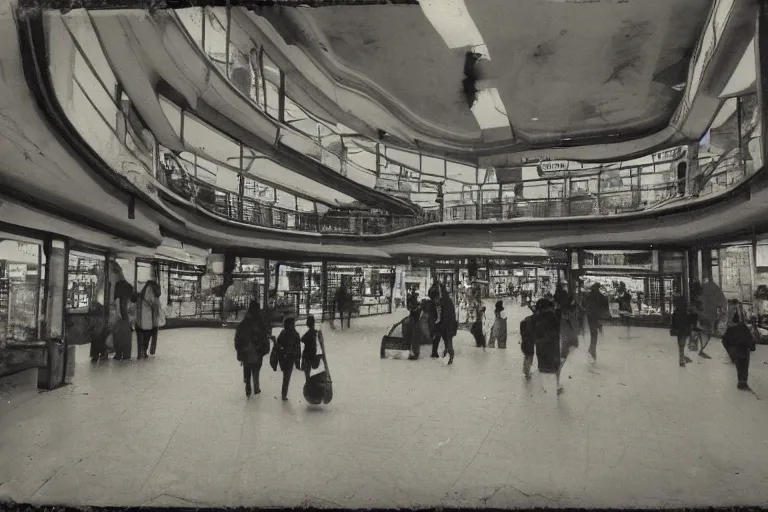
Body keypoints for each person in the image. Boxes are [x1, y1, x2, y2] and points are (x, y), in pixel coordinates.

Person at [234, 301, 271, 398]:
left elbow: (238, 338)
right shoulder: (260, 321)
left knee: (247, 368)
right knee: (256, 368)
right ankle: (256, 387)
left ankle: (248, 386)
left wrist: (239, 350)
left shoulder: (244, 322)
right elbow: (265, 334)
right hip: (257, 349)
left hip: (246, 350)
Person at [721, 301, 754, 390]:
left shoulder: (730, 329)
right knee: (744, 366)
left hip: (736, 349)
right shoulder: (743, 327)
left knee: (739, 365)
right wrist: (751, 347)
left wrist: (730, 350)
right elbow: (750, 339)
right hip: (744, 349)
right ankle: (743, 382)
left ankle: (741, 382)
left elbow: (724, 340)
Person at [273, 317, 301, 400]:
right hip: (290, 358)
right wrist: (297, 360)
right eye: (293, 323)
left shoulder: (283, 332)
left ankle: (284, 394)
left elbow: (278, 344)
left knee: (286, 376)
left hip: (283, 357)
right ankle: (284, 394)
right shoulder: (295, 334)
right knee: (287, 376)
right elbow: (298, 348)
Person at [135, 281, 162, 359]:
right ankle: (144, 352)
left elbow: (136, 309)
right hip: (148, 323)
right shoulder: (153, 299)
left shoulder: (140, 297)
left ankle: (140, 353)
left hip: (140, 322)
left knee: (140, 339)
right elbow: (157, 310)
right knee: (146, 338)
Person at [432, 286, 458, 364]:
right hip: (449, 326)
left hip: (447, 326)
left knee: (448, 342)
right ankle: (448, 354)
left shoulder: (444, 302)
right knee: (448, 342)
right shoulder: (448, 302)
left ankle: (450, 357)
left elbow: (444, 315)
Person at [584, 283, 609, 363]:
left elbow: (585, 305)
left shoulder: (589, 295)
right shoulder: (601, 296)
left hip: (590, 316)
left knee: (593, 334)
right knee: (595, 334)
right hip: (597, 317)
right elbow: (605, 305)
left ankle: (592, 350)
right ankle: (592, 351)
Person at [670, 296, 695, 367]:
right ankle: (682, 359)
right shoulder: (687, 312)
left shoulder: (676, 312)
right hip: (685, 330)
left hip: (679, 331)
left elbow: (673, 322)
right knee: (683, 344)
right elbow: (690, 321)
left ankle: (682, 359)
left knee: (681, 345)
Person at [301, 316, 319, 381]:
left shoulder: (310, 332)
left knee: (307, 375)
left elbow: (302, 339)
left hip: (308, 355)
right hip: (312, 354)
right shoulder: (314, 332)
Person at [520, 308, 536, 379]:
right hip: (529, 342)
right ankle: (527, 372)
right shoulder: (532, 321)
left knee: (527, 356)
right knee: (530, 356)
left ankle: (525, 370)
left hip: (525, 342)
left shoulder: (526, 320)